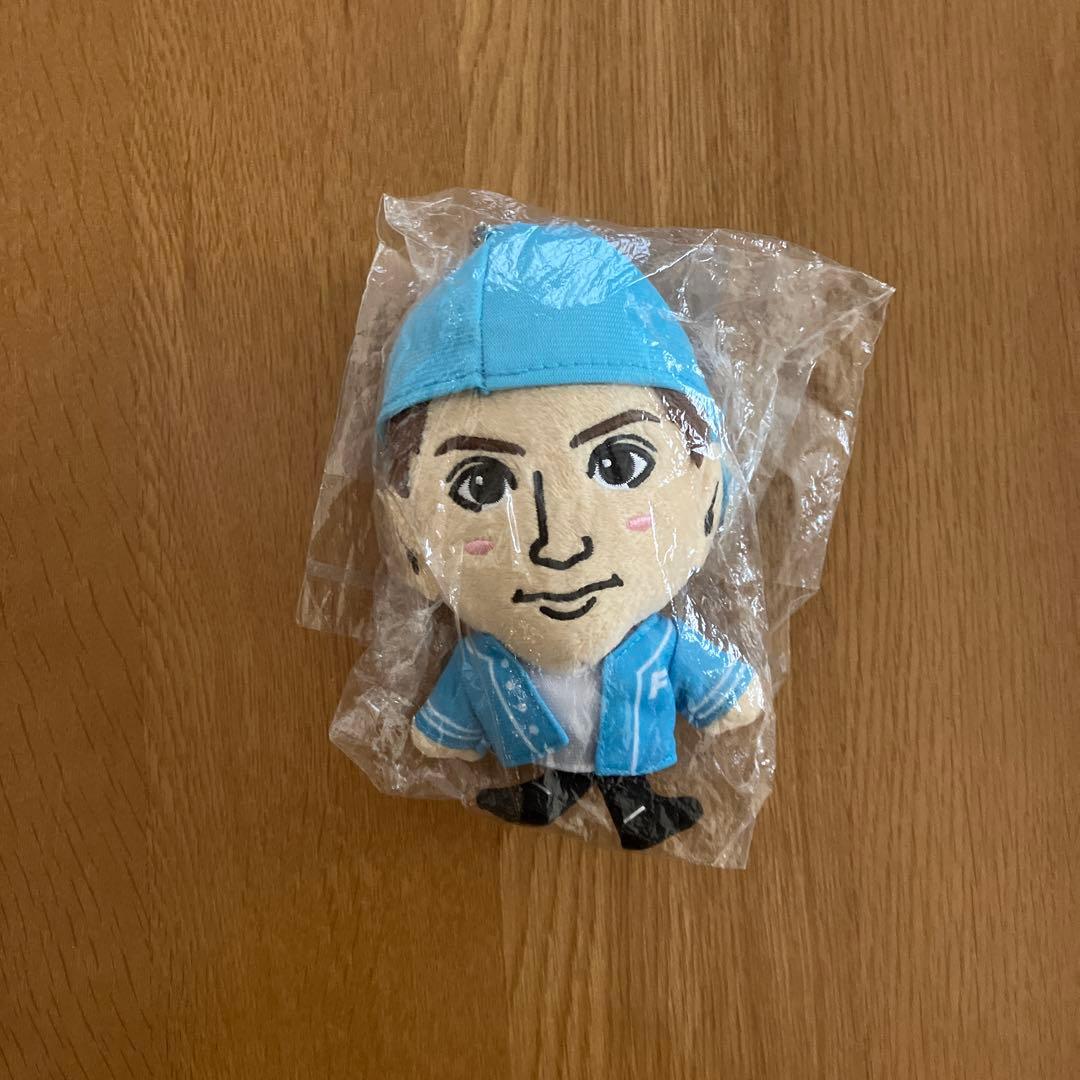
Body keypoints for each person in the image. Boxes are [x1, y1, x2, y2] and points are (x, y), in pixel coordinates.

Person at [375, 222, 764, 849]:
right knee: (555, 781)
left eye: (620, 463)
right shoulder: (486, 659)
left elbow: (706, 675)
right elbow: (456, 700)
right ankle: (554, 791)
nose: (558, 547)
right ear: (408, 534)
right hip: (530, 769)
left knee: (625, 787)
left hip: (630, 750)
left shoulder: (657, 643)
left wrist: (727, 697)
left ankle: (630, 802)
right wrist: (443, 734)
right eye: (481, 484)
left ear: (708, 494)